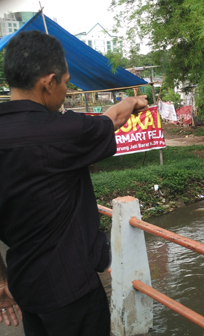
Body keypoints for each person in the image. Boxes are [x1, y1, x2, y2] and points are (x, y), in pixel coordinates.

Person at [0, 30, 149, 335]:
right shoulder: (65, 132)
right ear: (48, 82)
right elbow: (114, 118)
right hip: (71, 291)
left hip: (24, 286)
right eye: (66, 83)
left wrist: (1, 280)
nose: (66, 91)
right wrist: (133, 100)